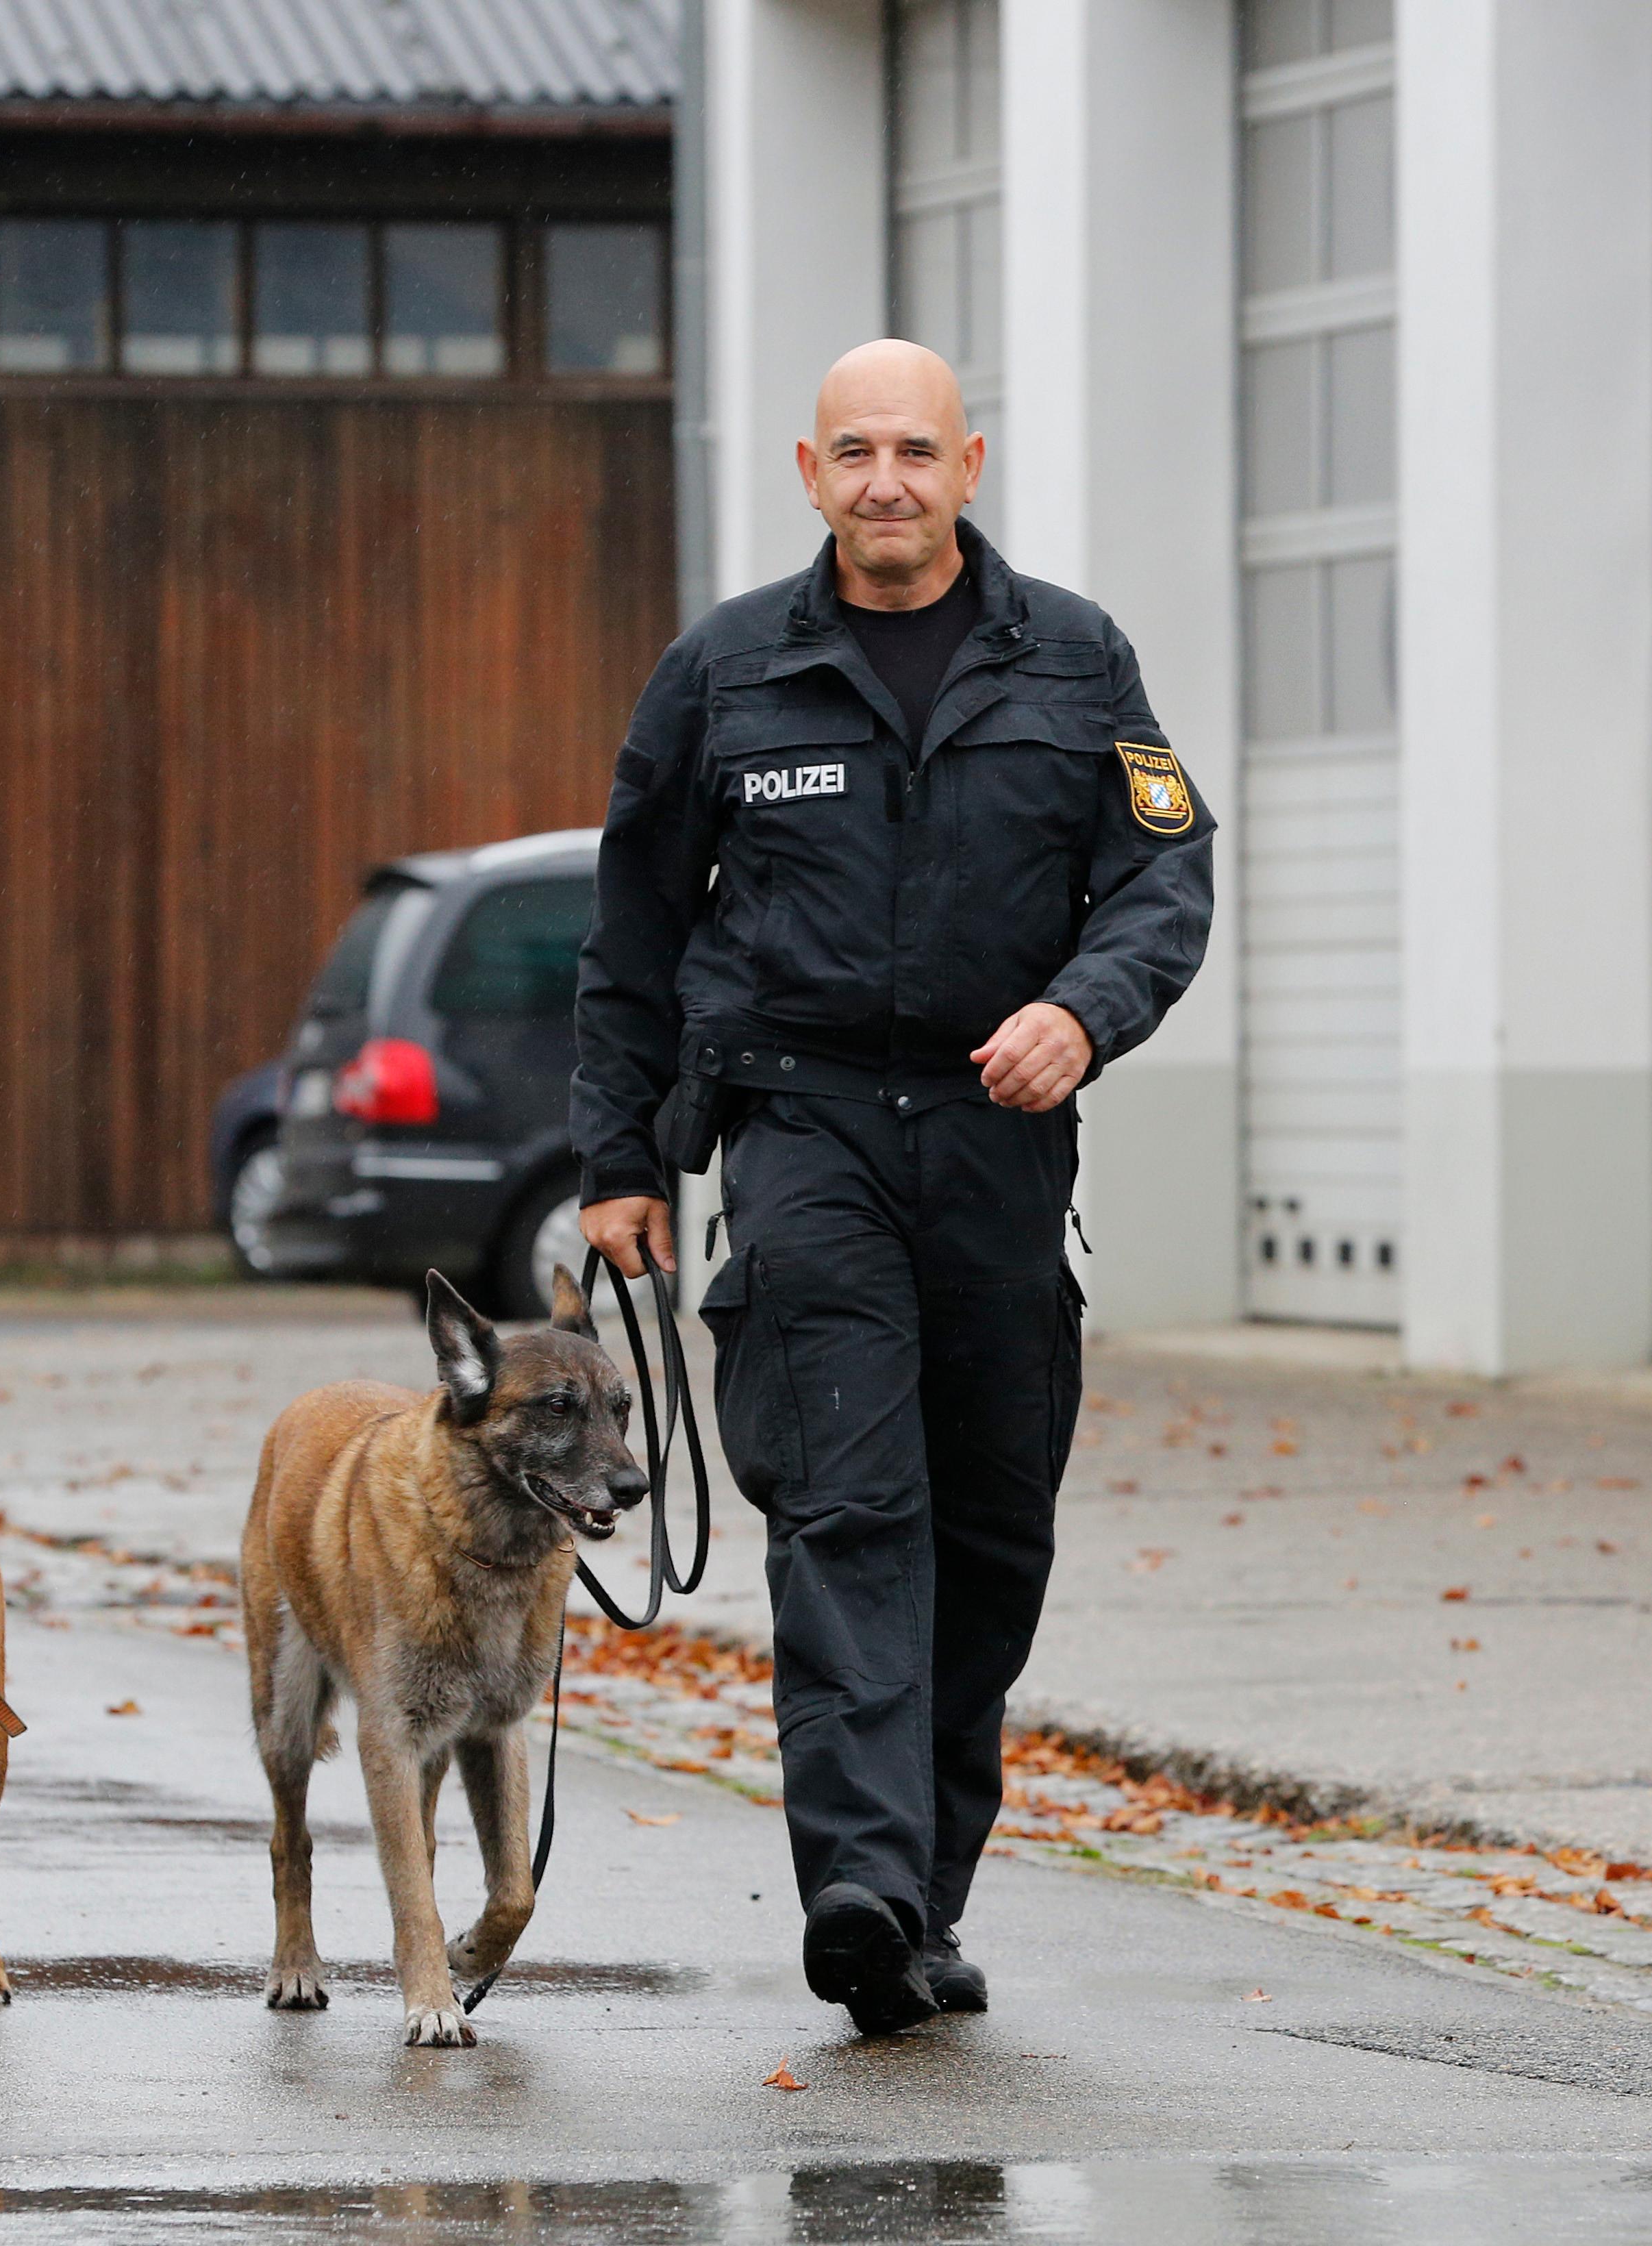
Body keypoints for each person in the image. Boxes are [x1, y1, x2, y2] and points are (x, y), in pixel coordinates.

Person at [573, 340, 1214, 2034]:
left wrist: (1084, 1014)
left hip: (1001, 1143)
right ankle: (855, 1881)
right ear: (808, 471)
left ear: (969, 463)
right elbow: (631, 928)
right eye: (854, 450)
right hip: (805, 1132)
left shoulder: (1077, 660)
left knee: (991, 1534)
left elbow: (1162, 874)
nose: (885, 480)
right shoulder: (727, 672)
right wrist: (617, 1157)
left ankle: (920, 1896)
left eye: (915, 450)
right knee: (855, 1513)